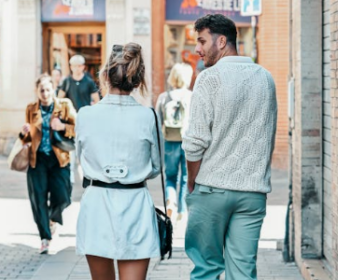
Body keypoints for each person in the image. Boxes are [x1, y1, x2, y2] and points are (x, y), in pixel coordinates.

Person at [182, 14, 277, 279]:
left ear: (222, 41)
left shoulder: (208, 78)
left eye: (202, 41)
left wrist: (192, 181)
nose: (197, 49)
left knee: (207, 269)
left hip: (212, 189)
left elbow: (195, 142)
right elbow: (268, 134)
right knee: (244, 272)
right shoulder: (266, 78)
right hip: (252, 193)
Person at [75, 43, 161, 280]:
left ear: (104, 75)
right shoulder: (148, 116)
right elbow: (156, 167)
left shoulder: (85, 115)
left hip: (97, 204)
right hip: (135, 202)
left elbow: (80, 158)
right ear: (137, 79)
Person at [19, 74, 76, 254]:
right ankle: (45, 237)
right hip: (38, 160)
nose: (44, 93)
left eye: (47, 89)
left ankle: (53, 218)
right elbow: (26, 139)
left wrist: (63, 127)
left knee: (64, 197)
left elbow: (78, 127)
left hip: (59, 159)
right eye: (41, 90)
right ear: (37, 91)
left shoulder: (64, 106)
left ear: (53, 90)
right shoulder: (31, 109)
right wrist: (24, 134)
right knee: (38, 199)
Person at [156, 63, 193, 222]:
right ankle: (182, 211)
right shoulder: (192, 96)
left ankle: (170, 201)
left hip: (169, 140)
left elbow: (157, 121)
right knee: (186, 177)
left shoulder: (164, 97)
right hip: (188, 142)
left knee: (170, 176)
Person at [58, 55, 99, 185]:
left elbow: (96, 100)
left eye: (78, 66)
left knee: (85, 151)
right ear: (70, 67)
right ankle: (69, 178)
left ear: (83, 67)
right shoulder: (67, 82)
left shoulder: (89, 81)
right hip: (70, 122)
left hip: (85, 122)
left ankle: (85, 177)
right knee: (71, 151)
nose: (75, 68)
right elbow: (59, 100)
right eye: (73, 66)